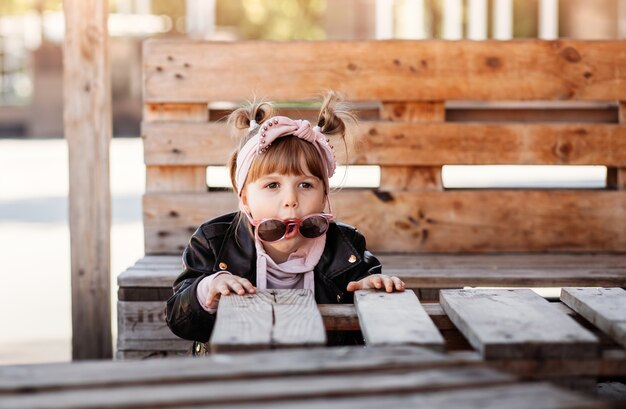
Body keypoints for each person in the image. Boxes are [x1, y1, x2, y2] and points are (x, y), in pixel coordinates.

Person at [165, 92, 405, 349]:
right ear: (244, 197)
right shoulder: (213, 244)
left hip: (325, 371)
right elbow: (180, 321)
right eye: (272, 185)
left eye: (305, 184)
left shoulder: (346, 248)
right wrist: (207, 290)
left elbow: (370, 325)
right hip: (241, 375)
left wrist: (370, 290)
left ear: (324, 196)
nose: (290, 199)